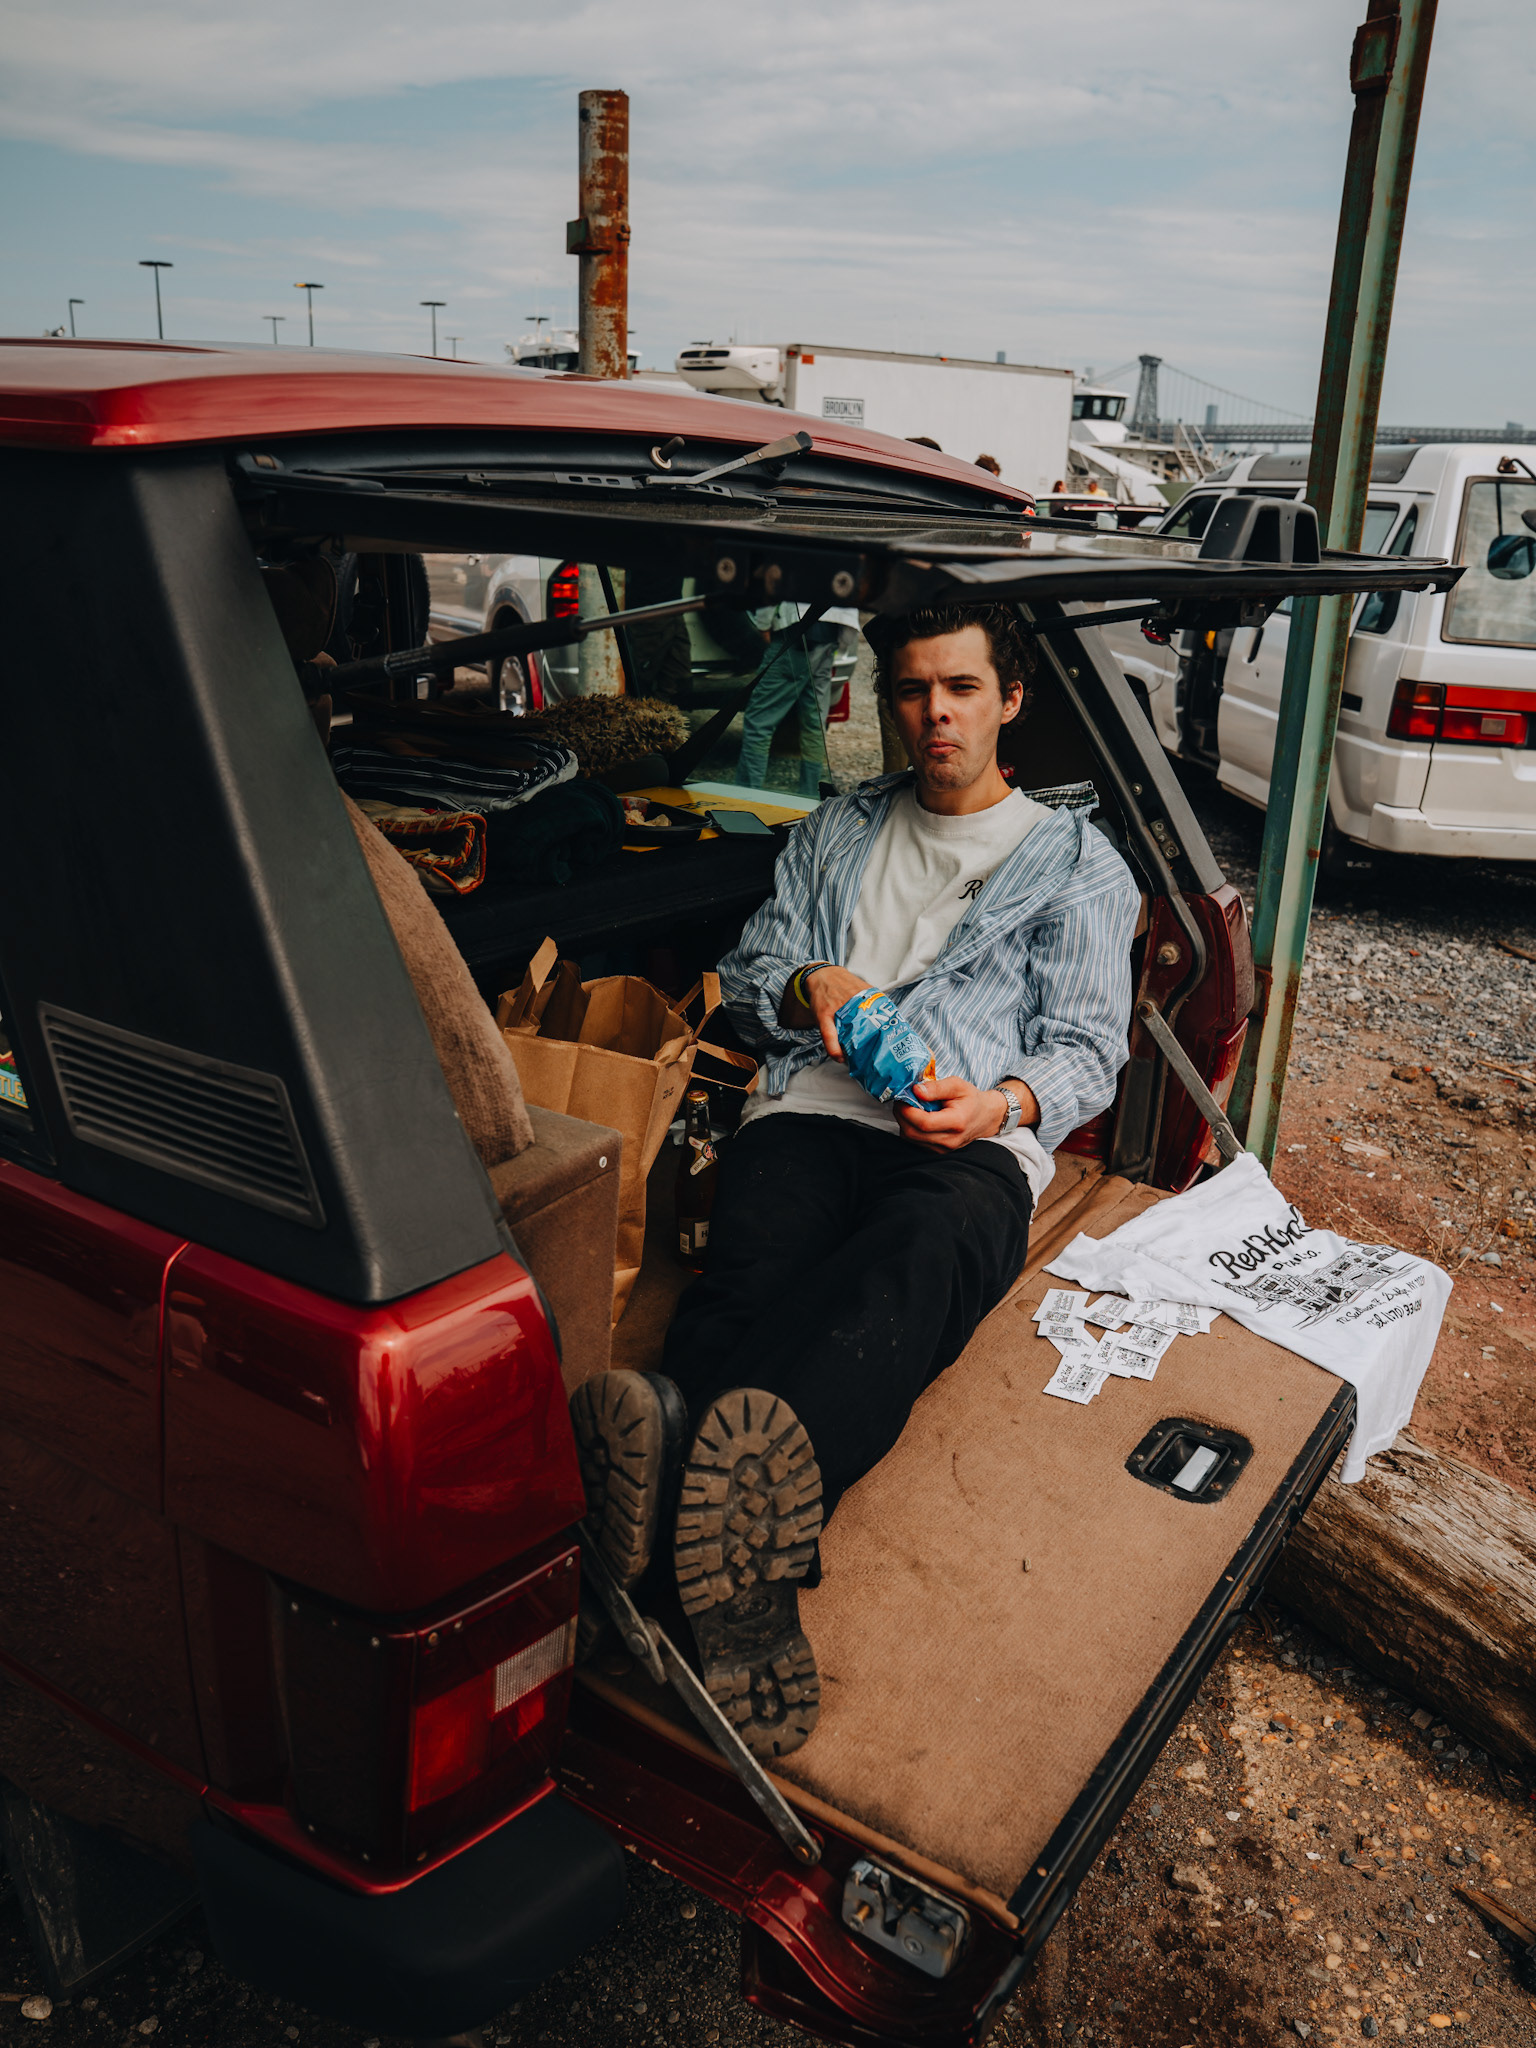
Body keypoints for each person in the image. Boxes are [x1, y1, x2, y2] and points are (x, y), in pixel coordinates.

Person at [571, 603, 1138, 1760]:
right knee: (750, 1279)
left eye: (962, 688)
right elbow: (748, 976)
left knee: (905, 1276)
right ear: (891, 701)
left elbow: (1088, 1047)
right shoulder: (836, 830)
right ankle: (738, 1577)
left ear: (1009, 700)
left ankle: (664, 1506)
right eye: (914, 689)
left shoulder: (1080, 864)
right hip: (811, 1108)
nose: (937, 714)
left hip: (968, 1140)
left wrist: (1000, 1104)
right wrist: (811, 985)